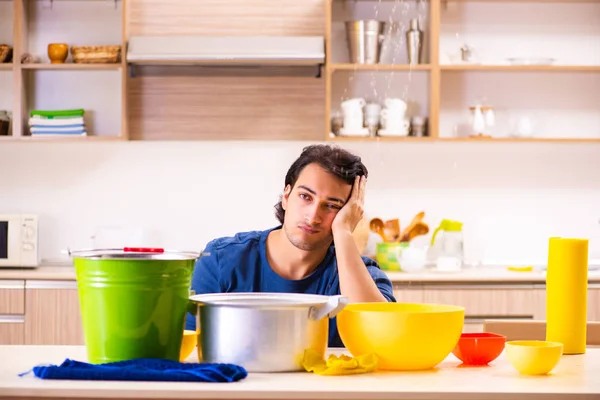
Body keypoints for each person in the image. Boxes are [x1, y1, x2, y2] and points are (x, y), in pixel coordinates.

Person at [185, 144, 396, 347]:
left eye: (332, 206)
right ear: (286, 196)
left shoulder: (364, 275)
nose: (313, 216)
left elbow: (383, 341)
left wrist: (343, 231)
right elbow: (190, 348)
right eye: (305, 197)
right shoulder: (221, 260)